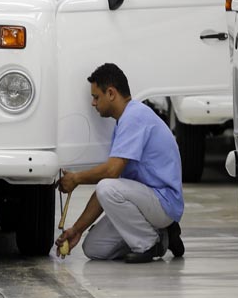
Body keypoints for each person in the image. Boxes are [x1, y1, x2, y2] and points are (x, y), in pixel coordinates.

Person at [55, 63, 185, 264]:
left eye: (96, 97)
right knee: (93, 248)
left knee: (107, 186)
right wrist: (76, 229)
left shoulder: (134, 117)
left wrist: (76, 178)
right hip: (146, 203)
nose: (93, 103)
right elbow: (110, 188)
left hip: (163, 203)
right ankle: (163, 234)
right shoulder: (124, 122)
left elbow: (111, 174)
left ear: (111, 93)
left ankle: (150, 243)